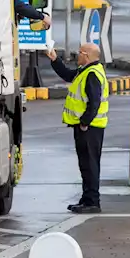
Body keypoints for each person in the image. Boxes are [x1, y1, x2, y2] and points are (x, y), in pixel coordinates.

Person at [45, 42, 108, 213]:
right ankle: (86, 199)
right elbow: (68, 75)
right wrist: (55, 60)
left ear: (86, 55)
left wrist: (85, 122)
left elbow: (94, 103)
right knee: (85, 165)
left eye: (79, 53)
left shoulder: (92, 74)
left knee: (90, 165)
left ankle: (92, 202)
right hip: (86, 127)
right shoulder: (86, 71)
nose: (76, 55)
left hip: (90, 128)